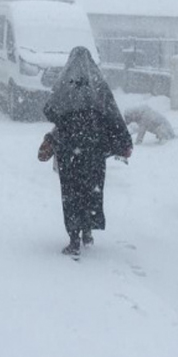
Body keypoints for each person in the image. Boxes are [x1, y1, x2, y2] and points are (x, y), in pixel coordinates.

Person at [42, 47, 133, 256]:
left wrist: (68, 119)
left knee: (71, 193)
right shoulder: (98, 85)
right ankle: (88, 231)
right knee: (91, 190)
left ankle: (74, 239)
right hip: (94, 150)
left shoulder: (64, 84)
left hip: (69, 150)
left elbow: (49, 110)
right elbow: (113, 114)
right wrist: (123, 140)